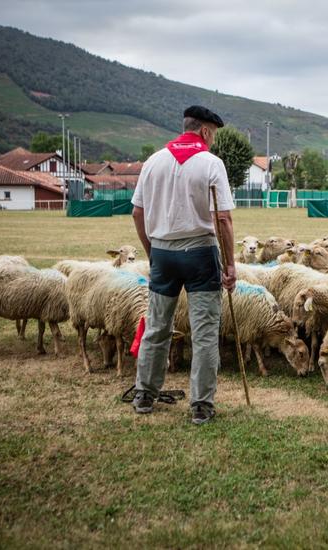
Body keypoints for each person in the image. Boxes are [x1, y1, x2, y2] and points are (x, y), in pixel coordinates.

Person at [130, 105, 236, 425]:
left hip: (162, 252)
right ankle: (201, 404)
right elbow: (223, 218)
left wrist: (152, 251)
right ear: (205, 131)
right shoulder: (210, 163)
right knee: (203, 332)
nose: (213, 140)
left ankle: (144, 394)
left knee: (157, 326)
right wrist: (230, 265)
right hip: (201, 254)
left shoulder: (154, 161)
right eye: (213, 134)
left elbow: (137, 213)